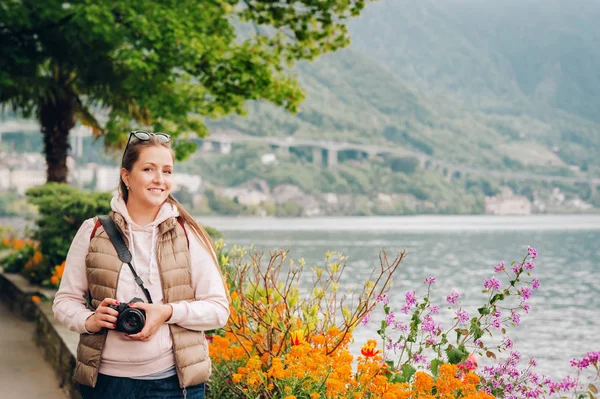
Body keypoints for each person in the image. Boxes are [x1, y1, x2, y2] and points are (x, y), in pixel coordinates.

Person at [53, 131, 230, 399]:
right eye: (149, 169)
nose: (160, 179)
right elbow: (64, 302)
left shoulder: (188, 234)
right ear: (126, 176)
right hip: (106, 385)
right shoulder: (94, 231)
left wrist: (167, 312)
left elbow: (218, 310)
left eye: (167, 171)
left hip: (174, 385)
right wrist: (90, 320)